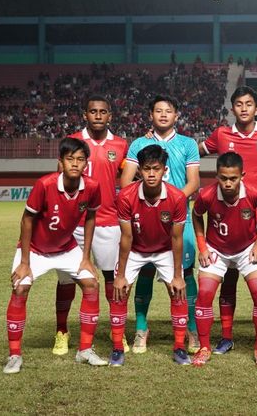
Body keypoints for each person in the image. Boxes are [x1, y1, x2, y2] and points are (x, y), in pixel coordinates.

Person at [199, 86, 257, 354]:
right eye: (238, 104)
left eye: (248, 104)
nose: (243, 108)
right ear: (232, 108)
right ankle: (227, 337)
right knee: (226, 282)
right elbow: (194, 152)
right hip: (227, 219)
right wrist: (157, 143)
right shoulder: (221, 134)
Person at [3, 138, 105, 374]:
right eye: (70, 159)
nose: (75, 164)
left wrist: (86, 257)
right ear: (60, 162)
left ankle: (85, 351)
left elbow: (91, 218)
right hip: (35, 250)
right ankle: (14, 355)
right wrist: (25, 262)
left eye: (80, 160)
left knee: (91, 284)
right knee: (20, 288)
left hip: (67, 248)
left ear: (86, 164)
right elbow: (27, 220)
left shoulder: (91, 187)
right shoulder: (45, 184)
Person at [120, 95, 200, 355]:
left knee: (184, 273)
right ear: (151, 115)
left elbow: (193, 183)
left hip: (179, 217)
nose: (163, 115)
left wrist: (172, 203)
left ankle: (191, 328)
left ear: (176, 115)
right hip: (143, 217)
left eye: (169, 111)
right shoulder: (139, 144)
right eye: (158, 111)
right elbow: (126, 182)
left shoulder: (188, 144)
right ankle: (142, 328)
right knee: (143, 270)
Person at [51, 96, 130, 356]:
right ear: (85, 114)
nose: (98, 115)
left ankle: (117, 332)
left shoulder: (121, 145)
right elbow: (58, 181)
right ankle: (62, 331)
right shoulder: (73, 141)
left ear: (110, 116)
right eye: (93, 111)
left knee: (113, 278)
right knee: (66, 279)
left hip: (108, 221)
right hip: (74, 223)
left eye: (103, 112)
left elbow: (129, 177)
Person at [110, 145, 190, 366]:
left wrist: (177, 275)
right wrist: (121, 275)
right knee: (119, 291)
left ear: (165, 170)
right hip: (135, 249)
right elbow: (126, 237)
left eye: (156, 169)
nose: (151, 174)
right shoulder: (126, 196)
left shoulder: (176, 198)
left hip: (165, 250)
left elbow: (176, 239)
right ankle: (117, 348)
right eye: (146, 169)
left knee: (178, 291)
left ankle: (179, 348)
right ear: (140, 171)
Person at [190, 152, 257, 367]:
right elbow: (196, 215)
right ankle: (205, 347)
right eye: (223, 178)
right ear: (217, 175)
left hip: (247, 248)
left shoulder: (254, 192)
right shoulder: (207, 195)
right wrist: (202, 247)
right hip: (216, 249)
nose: (228, 183)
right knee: (205, 293)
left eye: (233, 178)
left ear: (242, 175)